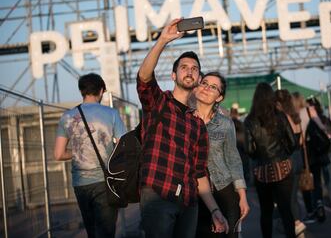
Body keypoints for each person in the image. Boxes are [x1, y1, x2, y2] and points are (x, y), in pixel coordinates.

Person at [137, 18, 228, 238]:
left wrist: (215, 210)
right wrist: (163, 40)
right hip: (158, 195)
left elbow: (199, 174)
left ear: (198, 79)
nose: (189, 71)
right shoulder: (158, 103)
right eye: (184, 67)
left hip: (189, 203)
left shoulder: (197, 123)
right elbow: (144, 77)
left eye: (195, 69)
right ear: (173, 75)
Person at [54, 73, 126, 238]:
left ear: (82, 91)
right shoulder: (112, 114)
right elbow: (124, 147)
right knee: (106, 232)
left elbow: (58, 154)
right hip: (106, 181)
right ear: (101, 91)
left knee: (92, 231)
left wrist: (79, 151)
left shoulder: (66, 117)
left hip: (80, 184)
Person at [193, 72, 250, 238]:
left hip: (224, 192)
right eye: (204, 83)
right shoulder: (184, 119)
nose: (206, 88)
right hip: (194, 194)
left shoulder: (225, 123)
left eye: (213, 87)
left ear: (219, 97)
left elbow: (233, 159)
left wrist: (243, 196)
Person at [244, 83, 297, 238]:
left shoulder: (249, 120)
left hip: (262, 170)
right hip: (283, 167)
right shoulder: (280, 116)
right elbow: (293, 142)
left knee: (265, 212)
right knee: (286, 210)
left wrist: (259, 157)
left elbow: (249, 150)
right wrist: (284, 154)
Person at [275, 90, 306, 236]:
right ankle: (297, 223)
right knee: (293, 194)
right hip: (299, 157)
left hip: (287, 159)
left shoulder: (282, 118)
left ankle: (297, 224)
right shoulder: (296, 117)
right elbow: (300, 140)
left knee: (288, 197)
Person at [230, 106, 251, 184]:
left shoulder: (229, 122)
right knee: (244, 163)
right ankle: (246, 178)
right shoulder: (240, 122)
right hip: (242, 144)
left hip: (234, 145)